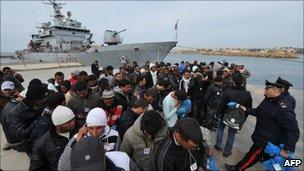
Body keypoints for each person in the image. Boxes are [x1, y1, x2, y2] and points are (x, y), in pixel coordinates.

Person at [225, 78, 300, 171]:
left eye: (267, 89)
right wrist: (241, 107)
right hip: (263, 135)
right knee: (270, 162)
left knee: (252, 156)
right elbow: (258, 111)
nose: (264, 90)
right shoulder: (269, 100)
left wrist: (287, 149)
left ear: (276, 90)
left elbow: (293, 130)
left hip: (267, 141)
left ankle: (237, 169)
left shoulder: (284, 109)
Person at [214, 74, 252, 157]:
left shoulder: (228, 91)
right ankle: (227, 151)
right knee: (231, 134)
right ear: (243, 83)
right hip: (238, 118)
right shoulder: (247, 94)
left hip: (225, 114)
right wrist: (243, 120)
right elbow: (248, 109)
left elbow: (222, 104)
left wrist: (217, 114)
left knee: (220, 129)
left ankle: (218, 146)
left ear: (233, 82)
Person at [29, 106, 75, 170]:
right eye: (68, 122)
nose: (73, 123)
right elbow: (36, 167)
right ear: (57, 125)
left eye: (73, 119)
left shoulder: (80, 131)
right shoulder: (42, 144)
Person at [9, 79, 48, 154]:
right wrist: (39, 120)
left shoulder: (42, 103)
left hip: (47, 140)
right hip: (32, 145)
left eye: (45, 98)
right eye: (41, 99)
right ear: (33, 99)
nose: (44, 100)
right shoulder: (16, 113)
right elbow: (22, 134)